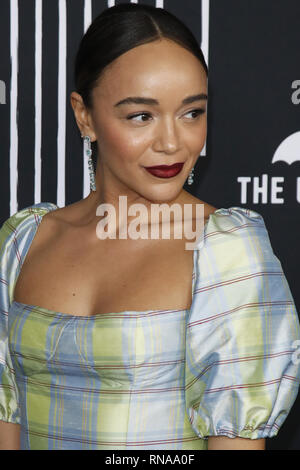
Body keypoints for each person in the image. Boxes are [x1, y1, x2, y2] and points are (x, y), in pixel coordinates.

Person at [0, 3, 299, 451]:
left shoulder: (226, 250)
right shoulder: (23, 242)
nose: (172, 143)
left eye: (191, 113)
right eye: (141, 115)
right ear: (85, 116)